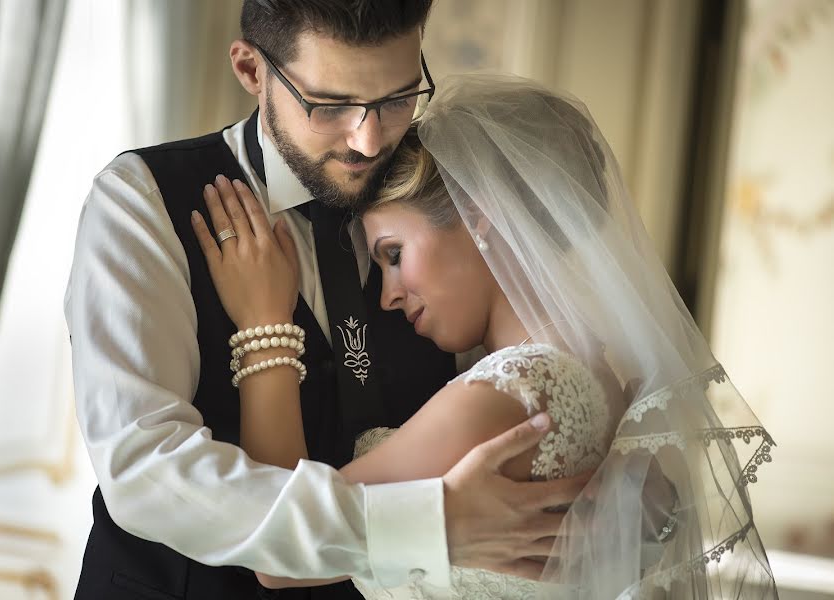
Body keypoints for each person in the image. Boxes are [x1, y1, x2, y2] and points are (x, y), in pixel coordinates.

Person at [64, 3, 589, 599]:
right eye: (330, 105)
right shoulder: (143, 202)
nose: (368, 140)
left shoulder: (441, 198)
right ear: (251, 70)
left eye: (396, 98)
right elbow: (147, 470)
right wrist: (424, 528)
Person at [191, 75, 780, 598]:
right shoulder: (607, 382)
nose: (389, 294)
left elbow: (279, 559)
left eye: (394, 254)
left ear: (481, 219)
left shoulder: (511, 395)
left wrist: (263, 327)